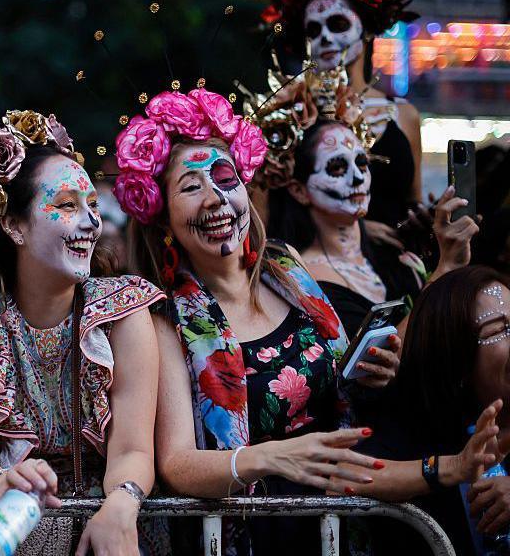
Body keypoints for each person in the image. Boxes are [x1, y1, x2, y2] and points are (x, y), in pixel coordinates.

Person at [113, 82, 401, 553]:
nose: (215, 199)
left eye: (226, 180)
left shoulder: (288, 270)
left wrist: (372, 373)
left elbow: (338, 386)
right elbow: (176, 463)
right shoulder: (163, 317)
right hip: (248, 535)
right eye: (191, 187)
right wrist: (272, 458)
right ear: (163, 217)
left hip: (338, 523)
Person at [0, 110, 162, 554]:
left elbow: (133, 448)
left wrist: (121, 504)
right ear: (14, 225)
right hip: (13, 525)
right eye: (66, 205)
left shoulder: (124, 309)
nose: (91, 223)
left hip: (113, 522)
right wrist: (1, 479)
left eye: (93, 206)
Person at [339, 266, 510, 555]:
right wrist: (452, 467)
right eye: (499, 329)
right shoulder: (416, 437)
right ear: (456, 358)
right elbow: (340, 476)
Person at [270, 115, 478, 336]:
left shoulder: (400, 259)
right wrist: (446, 267)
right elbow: (377, 366)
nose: (358, 177)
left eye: (362, 163)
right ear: (299, 191)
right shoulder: (302, 281)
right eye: (338, 167)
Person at [263, 0, 424, 238]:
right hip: (320, 266)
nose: (325, 38)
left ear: (367, 30)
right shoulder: (288, 115)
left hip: (395, 266)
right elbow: (273, 210)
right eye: (313, 31)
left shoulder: (404, 115)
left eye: (338, 25)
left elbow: (413, 202)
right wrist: (359, 230)